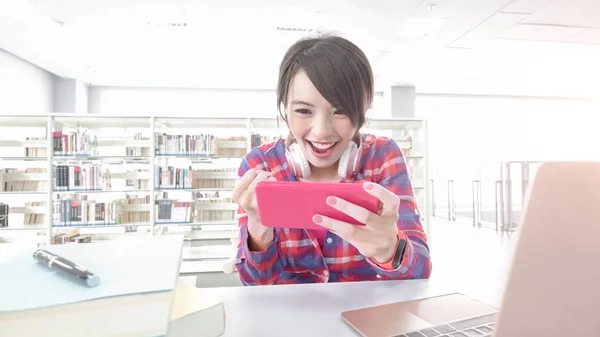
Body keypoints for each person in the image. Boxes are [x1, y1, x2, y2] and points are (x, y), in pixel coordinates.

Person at [231, 33, 432, 285]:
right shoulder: (260, 165)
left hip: (367, 318)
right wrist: (258, 229)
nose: (321, 131)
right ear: (285, 108)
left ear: (364, 108)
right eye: (303, 110)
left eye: (342, 111)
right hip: (288, 319)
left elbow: (421, 272)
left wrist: (389, 250)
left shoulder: (382, 156)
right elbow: (254, 283)